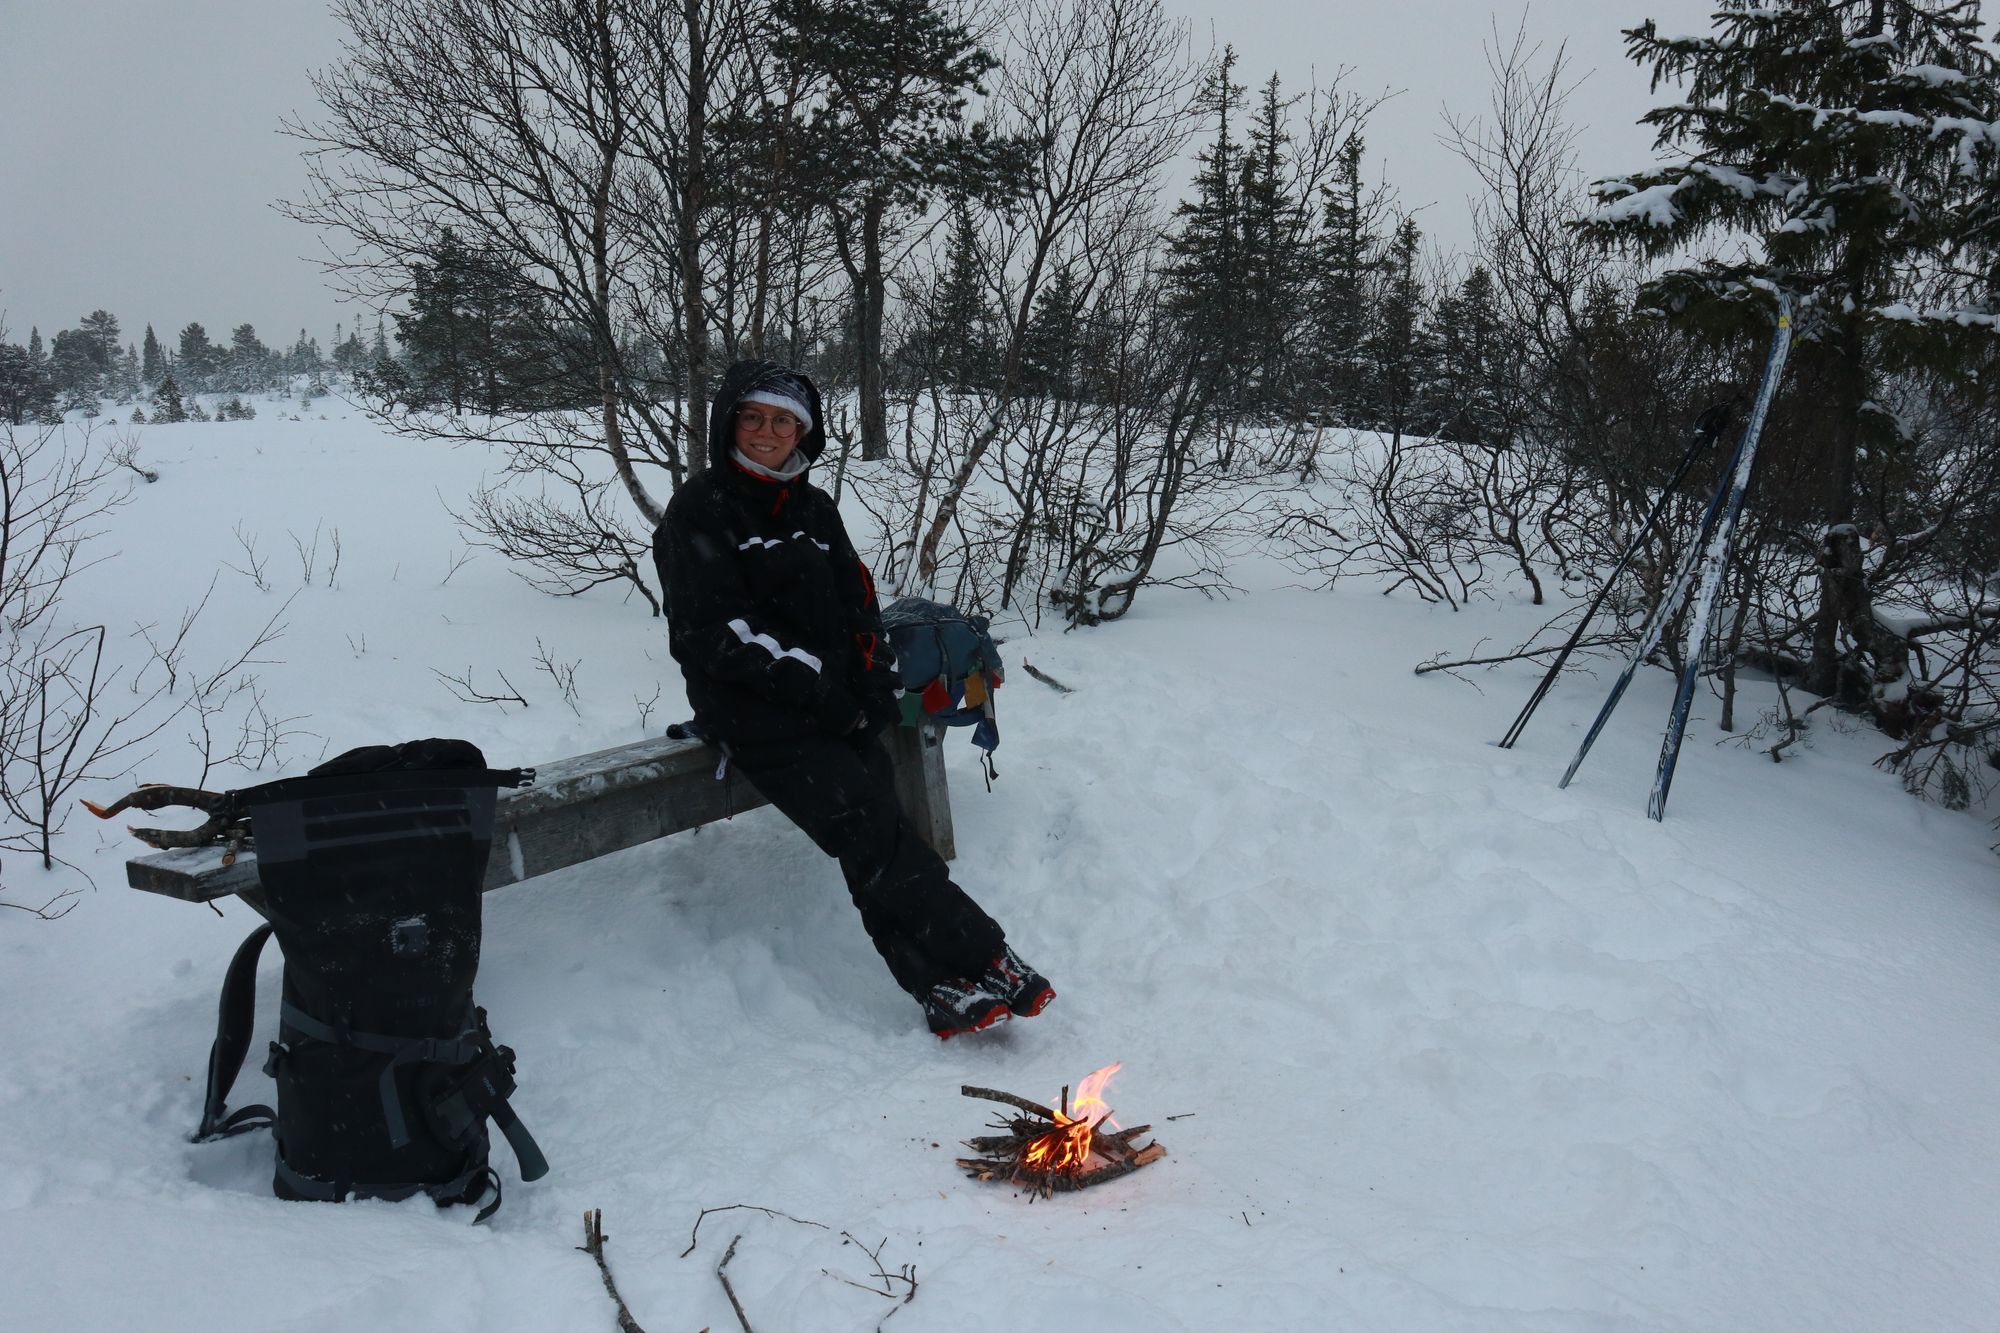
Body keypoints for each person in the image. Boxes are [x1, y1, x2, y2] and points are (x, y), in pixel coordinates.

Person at [653, 359, 1053, 1039]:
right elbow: (714, 635)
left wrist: (871, 679)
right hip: (752, 710)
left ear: (803, 434)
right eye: (754, 417)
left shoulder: (812, 507)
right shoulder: (701, 509)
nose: (767, 432)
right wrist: (823, 692)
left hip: (833, 703)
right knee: (870, 827)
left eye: (784, 421)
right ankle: (981, 951)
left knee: (873, 835)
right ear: (729, 422)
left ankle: (941, 984)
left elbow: (858, 604)